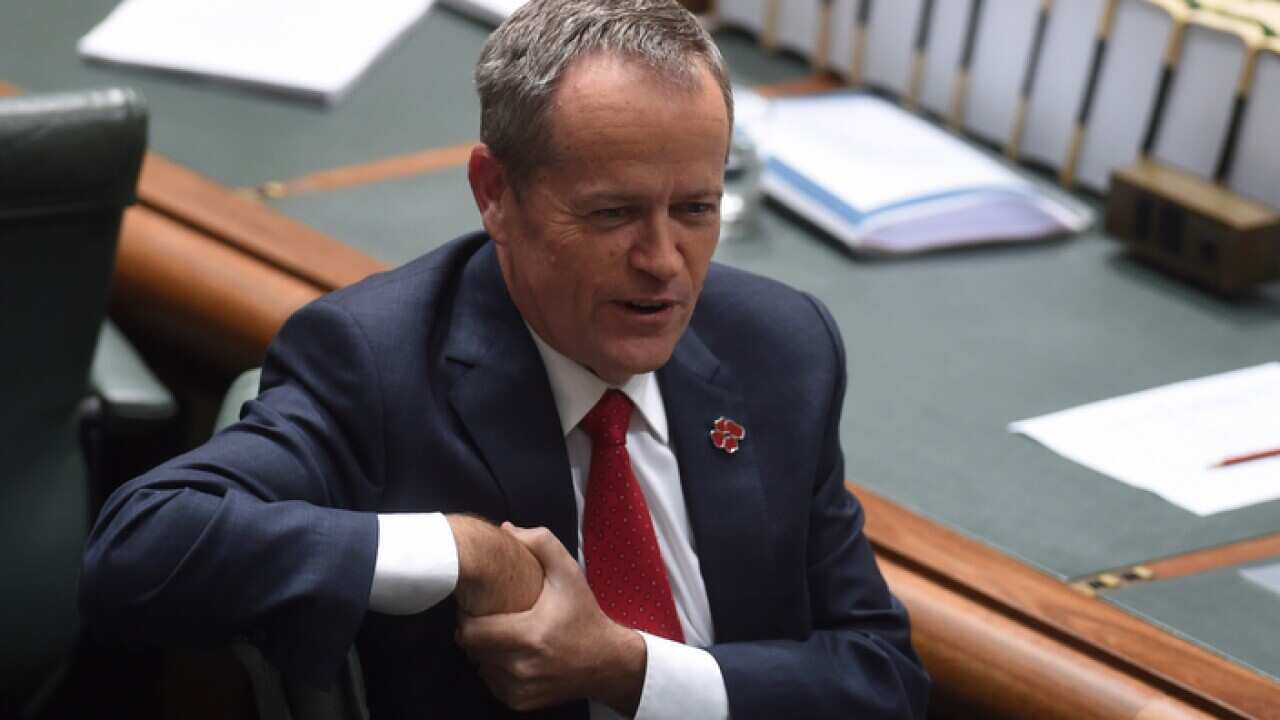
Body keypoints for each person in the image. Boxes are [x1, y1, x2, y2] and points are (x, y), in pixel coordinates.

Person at [81, 0, 929, 717]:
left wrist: (631, 669)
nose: (665, 260)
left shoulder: (781, 347)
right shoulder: (377, 363)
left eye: (697, 208)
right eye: (613, 215)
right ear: (495, 193)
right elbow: (141, 548)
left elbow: (883, 677)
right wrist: (464, 550)